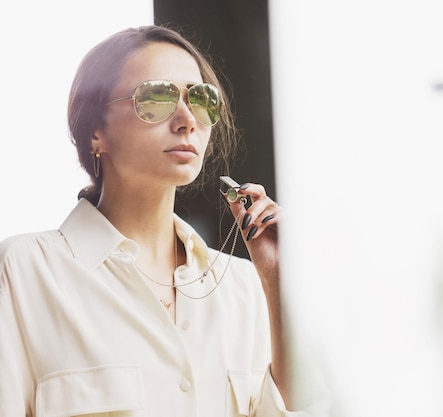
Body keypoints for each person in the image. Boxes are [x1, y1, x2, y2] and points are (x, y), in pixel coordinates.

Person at [0, 25, 318, 417]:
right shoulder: (24, 271)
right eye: (156, 97)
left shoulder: (243, 287)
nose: (187, 120)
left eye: (202, 99)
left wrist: (277, 283)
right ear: (95, 131)